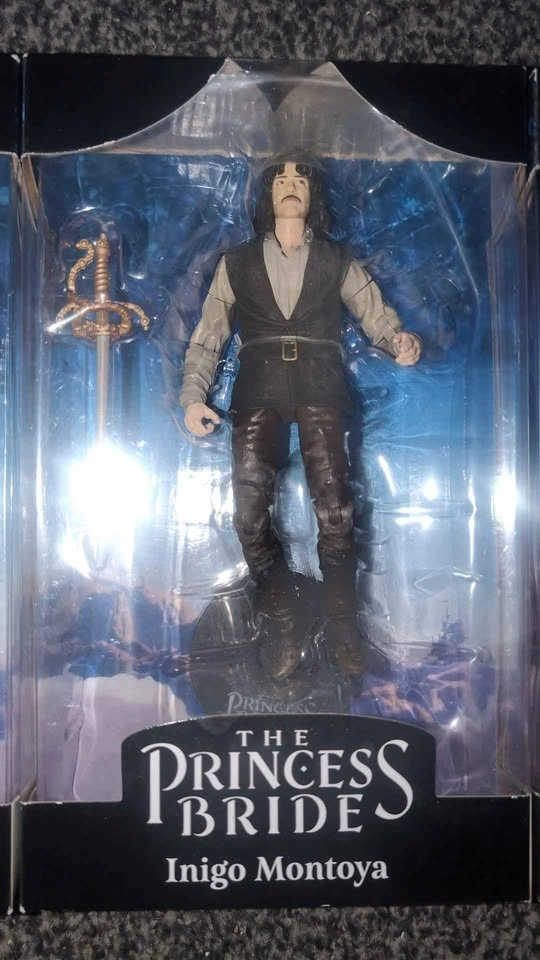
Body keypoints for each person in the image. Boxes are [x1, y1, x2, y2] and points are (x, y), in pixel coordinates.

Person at [181, 153, 421, 681]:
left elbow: (374, 312)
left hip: (321, 382)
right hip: (257, 385)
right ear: (267, 195)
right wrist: (194, 395)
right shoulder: (237, 262)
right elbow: (209, 332)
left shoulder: (336, 259)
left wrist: (397, 340)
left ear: (314, 195)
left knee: (335, 512)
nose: (291, 186)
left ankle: (342, 626)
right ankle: (283, 619)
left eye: (301, 180)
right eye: (281, 180)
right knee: (248, 516)